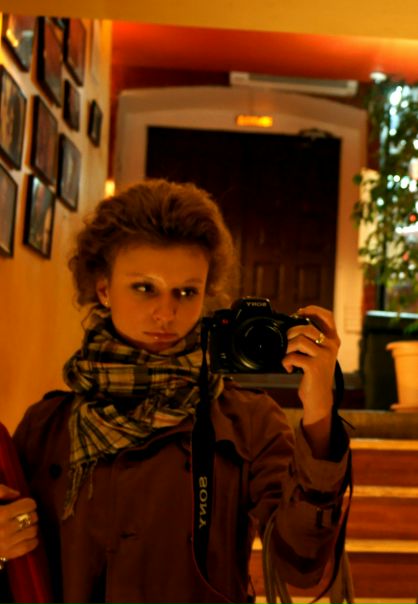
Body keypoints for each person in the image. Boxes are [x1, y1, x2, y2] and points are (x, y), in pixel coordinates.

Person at [0, 178, 350, 604]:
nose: (166, 313)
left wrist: (319, 412)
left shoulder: (246, 422)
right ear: (104, 288)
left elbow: (301, 566)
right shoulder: (45, 428)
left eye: (186, 291)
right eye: (144, 287)